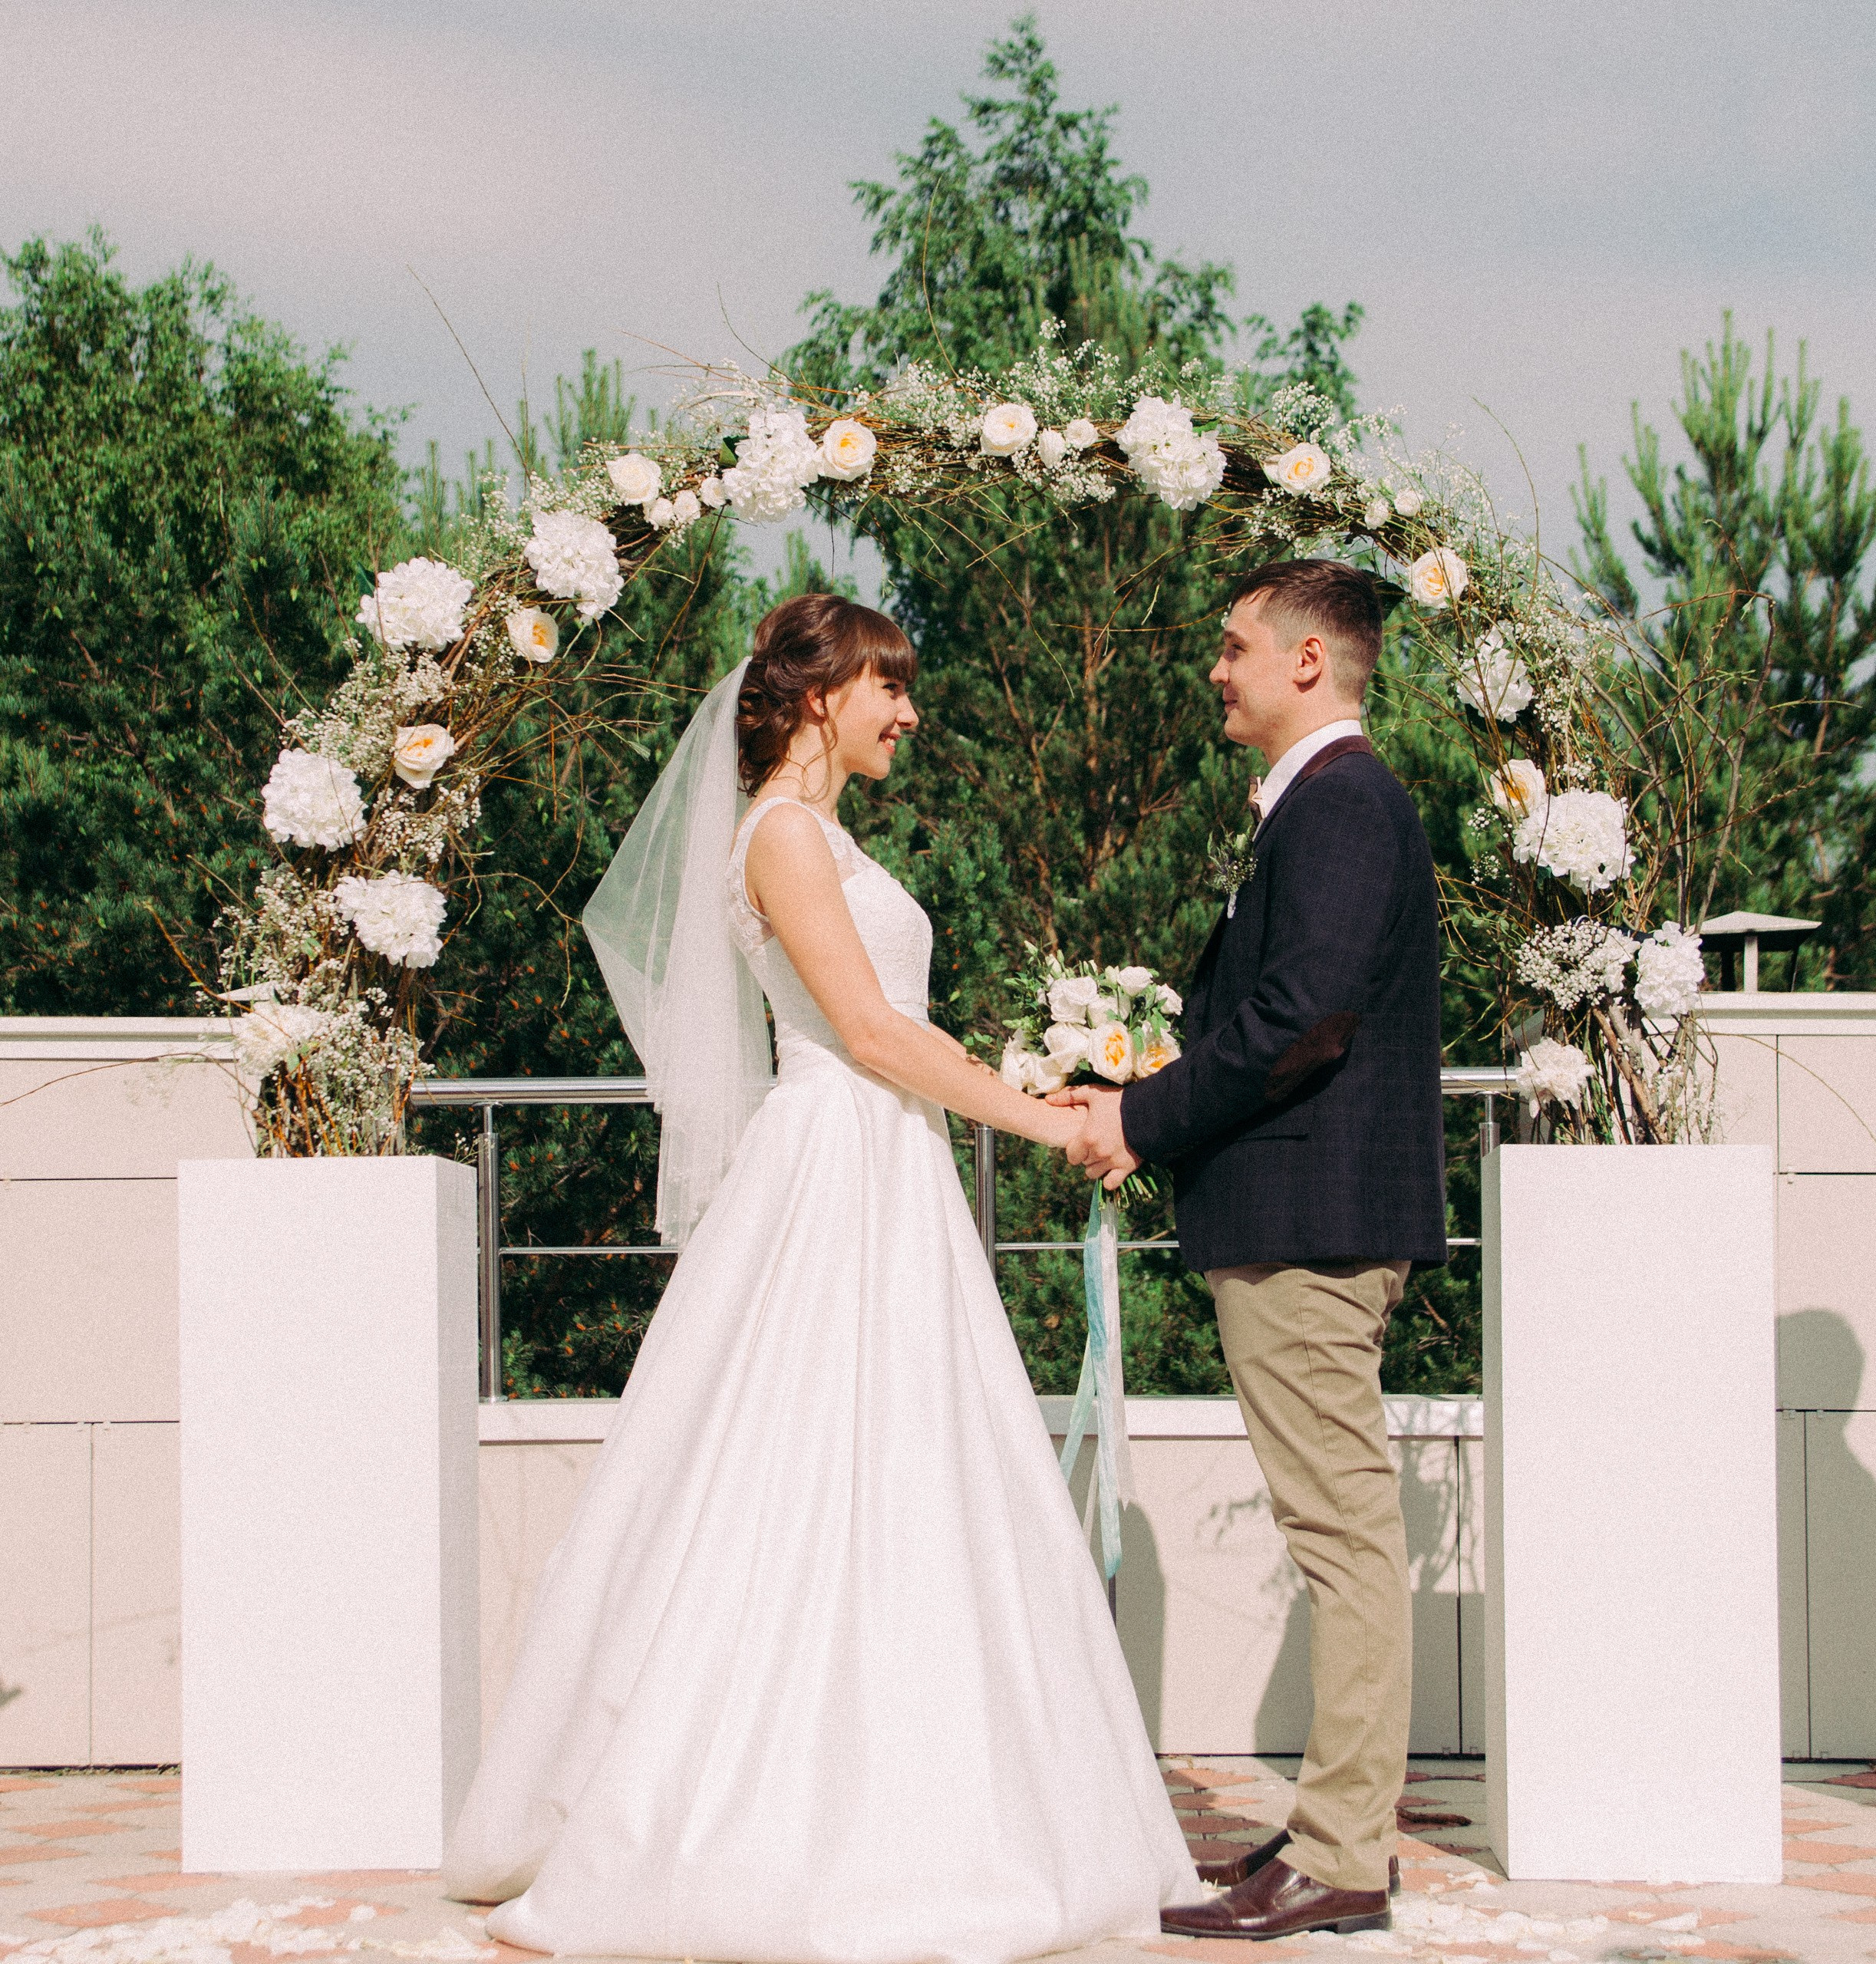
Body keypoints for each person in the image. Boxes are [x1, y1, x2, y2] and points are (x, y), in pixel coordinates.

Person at [442, 593, 1198, 1962]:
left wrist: (1033, 1075)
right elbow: (866, 1031)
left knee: (919, 1468)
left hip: (885, 1167)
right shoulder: (784, 837)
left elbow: (896, 1029)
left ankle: (945, 1794)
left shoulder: (828, 835)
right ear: (814, 696)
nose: (907, 712)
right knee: (798, 1476)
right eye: (886, 687)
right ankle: (763, 1817)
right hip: (839, 1159)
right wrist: (1050, 1118)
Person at [1054, 559, 1446, 1941]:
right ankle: (1334, 1834)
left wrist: (1141, 1119)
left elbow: (1301, 1016)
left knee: (1341, 1543)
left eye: (1232, 648)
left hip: (1314, 1222)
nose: (1214, 669)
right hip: (1308, 1216)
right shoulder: (1328, 805)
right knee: (1337, 1533)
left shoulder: (1342, 803)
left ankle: (1344, 1855)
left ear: (1305, 661)